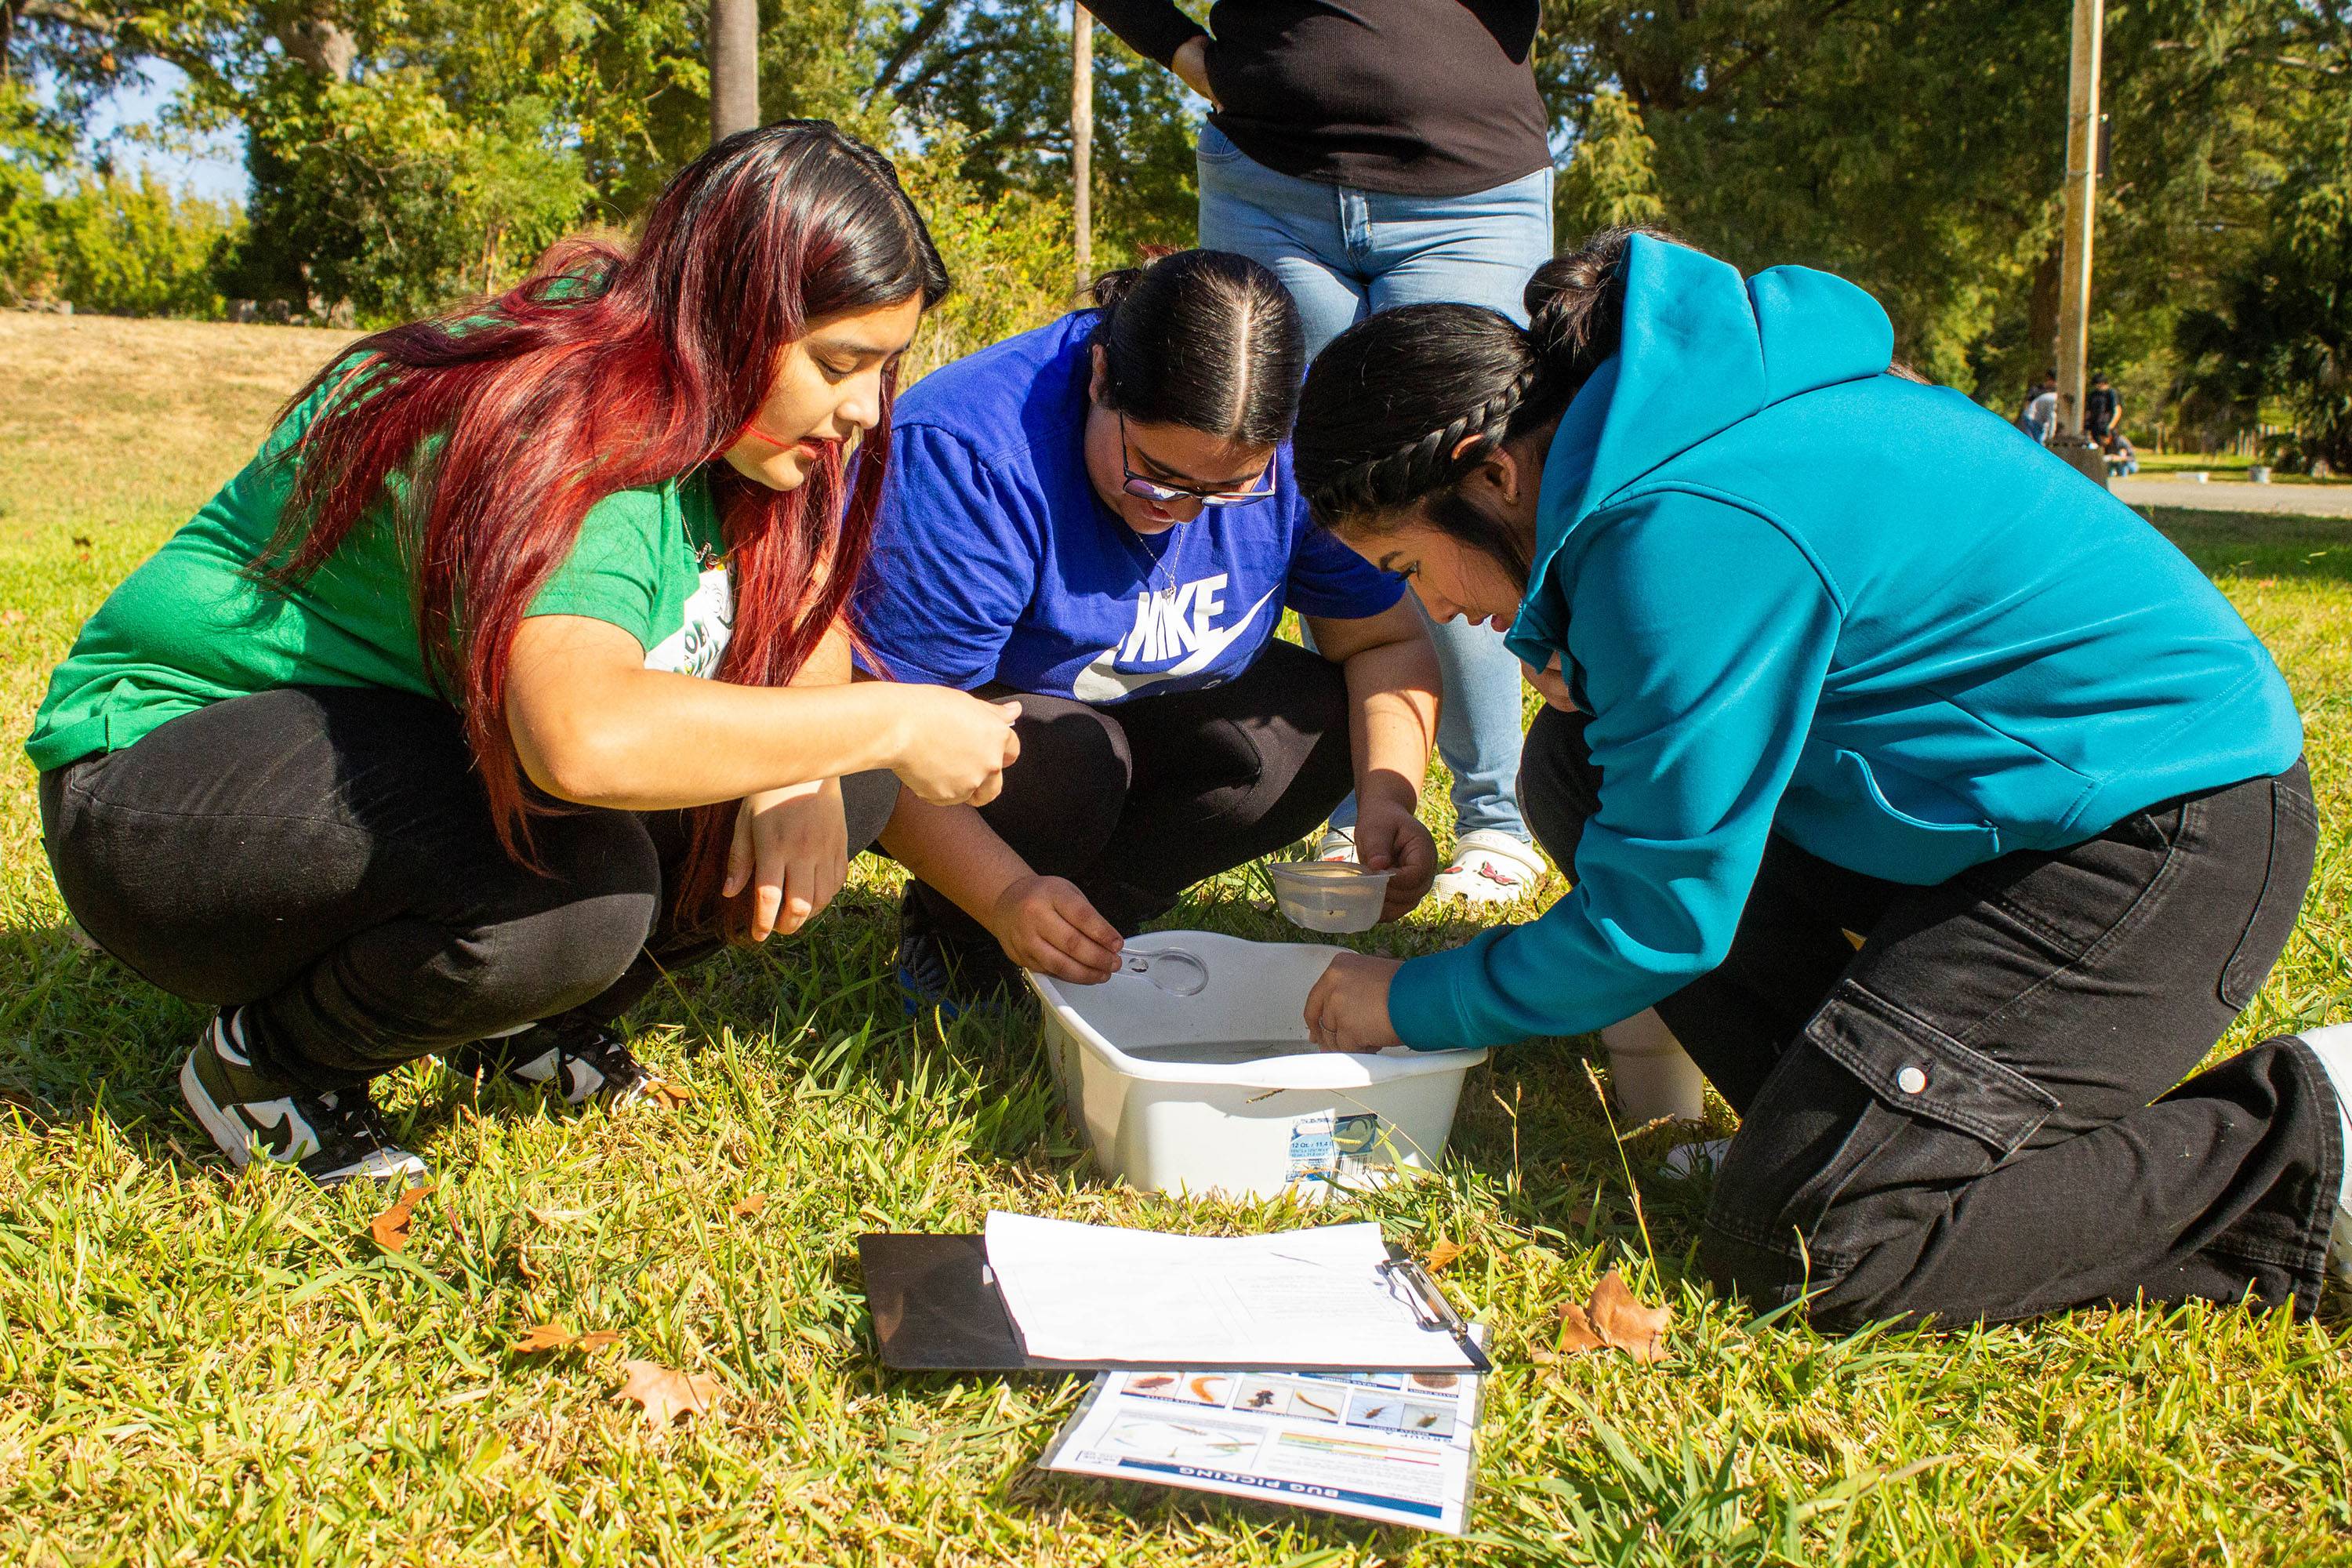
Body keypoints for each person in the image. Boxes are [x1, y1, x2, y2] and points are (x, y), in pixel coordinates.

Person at [1290, 227, 2347, 1327]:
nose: (1442, 610)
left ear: (1493, 474)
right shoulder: (1668, 444)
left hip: (2164, 838)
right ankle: (1834, 1116)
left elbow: (1659, 920)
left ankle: (2304, 1144)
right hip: (2011, 819)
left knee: (1817, 1246)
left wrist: (1416, 1002)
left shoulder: (1680, 530)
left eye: (1411, 566)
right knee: (1577, 764)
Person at [26, 122, 1026, 1187]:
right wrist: (897, 718)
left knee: (839, 783)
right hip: (168, 793)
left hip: (399, 754)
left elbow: (805, 622)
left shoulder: (738, 426)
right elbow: (582, 740)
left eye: (885, 368)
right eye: (840, 363)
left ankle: (524, 1025)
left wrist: (812, 766)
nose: (869, 408)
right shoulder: (571, 418)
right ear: (733, 315)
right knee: (578, 895)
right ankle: (265, 1066)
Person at [857, 248, 1442, 1005]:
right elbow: (879, 744)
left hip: (1157, 705)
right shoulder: (972, 457)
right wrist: (1002, 894)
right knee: (1077, 762)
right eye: (1156, 474)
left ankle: (1095, 922)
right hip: (1019, 736)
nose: (1180, 511)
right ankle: (963, 930)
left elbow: (1385, 641)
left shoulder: (1297, 454)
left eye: (1230, 489)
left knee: (1316, 726)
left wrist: (1389, 797)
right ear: (1101, 379)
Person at [1083, 0, 1553, 906]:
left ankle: (1496, 819)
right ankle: (1357, 812)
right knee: (1306, 491)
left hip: (1472, 181)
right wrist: (1184, 51)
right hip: (1270, 178)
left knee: (1463, 485)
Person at [2017, 370, 2059, 444]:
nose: (2056, 384)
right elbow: (2028, 404)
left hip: (2041, 421)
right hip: (2032, 419)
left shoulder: (2055, 392)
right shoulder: (2037, 389)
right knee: (2034, 443)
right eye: (2054, 381)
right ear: (2049, 379)